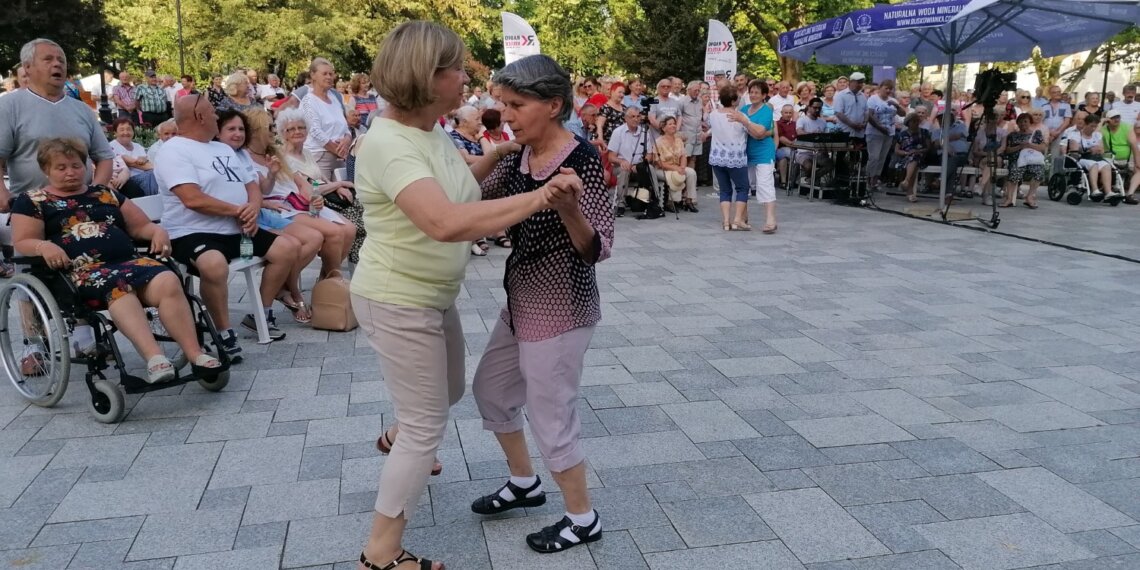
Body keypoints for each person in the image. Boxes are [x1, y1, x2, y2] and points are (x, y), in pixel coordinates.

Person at [351, 21, 581, 570]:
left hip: (431, 295)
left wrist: (499, 155)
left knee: (448, 391)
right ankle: (381, 552)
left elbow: (460, 186)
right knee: (428, 427)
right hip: (397, 297)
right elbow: (446, 221)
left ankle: (402, 432)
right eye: (456, 68)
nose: (467, 78)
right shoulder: (389, 144)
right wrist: (542, 198)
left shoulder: (428, 131)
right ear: (426, 76)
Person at [469, 52, 613, 556]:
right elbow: (471, 201)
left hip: (561, 306)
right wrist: (489, 155)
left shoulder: (582, 160)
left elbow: (598, 248)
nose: (505, 114)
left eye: (516, 104)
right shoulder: (518, 156)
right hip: (520, 299)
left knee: (552, 416)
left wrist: (570, 208)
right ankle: (525, 483)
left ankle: (582, 517)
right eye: (502, 103)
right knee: (490, 389)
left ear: (553, 105)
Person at [11, 138, 223, 382]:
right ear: (45, 170)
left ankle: (195, 354)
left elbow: (140, 225)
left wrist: (157, 232)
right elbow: (23, 241)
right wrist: (43, 245)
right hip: (78, 273)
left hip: (126, 262)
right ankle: (155, 359)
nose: (70, 172)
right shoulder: (33, 201)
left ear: (87, 166)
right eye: (61, 167)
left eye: (76, 165)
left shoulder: (104, 193)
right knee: (119, 288)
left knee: (167, 279)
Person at [155, 93, 301, 358]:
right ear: (199, 116)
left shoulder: (221, 148)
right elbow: (192, 198)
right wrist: (237, 210)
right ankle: (223, 331)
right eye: (212, 111)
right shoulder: (173, 150)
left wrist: (253, 209)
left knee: (288, 248)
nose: (216, 115)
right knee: (213, 264)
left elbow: (251, 185)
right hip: (192, 232)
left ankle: (262, 313)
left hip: (238, 229)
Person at [218, 109, 322, 324]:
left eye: (240, 129)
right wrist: (261, 203)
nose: (274, 132)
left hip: (263, 211)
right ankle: (291, 294)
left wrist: (272, 173)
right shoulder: (229, 155)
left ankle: (283, 289)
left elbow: (259, 189)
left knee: (315, 237)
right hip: (248, 218)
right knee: (292, 244)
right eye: (270, 128)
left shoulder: (245, 155)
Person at [0, 39, 115, 210]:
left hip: (82, 208)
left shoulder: (82, 109)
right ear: (28, 67)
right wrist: (3, 195)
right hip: (32, 211)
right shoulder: (9, 106)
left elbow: (104, 157)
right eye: (48, 59)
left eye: (61, 60)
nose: (57, 64)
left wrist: (94, 193)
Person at [278, 108, 367, 267]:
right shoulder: (284, 158)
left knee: (351, 229)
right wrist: (339, 183)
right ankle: (332, 275)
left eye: (301, 127)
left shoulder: (307, 152)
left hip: (320, 201)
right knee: (342, 230)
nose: (297, 131)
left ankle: (327, 276)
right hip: (301, 205)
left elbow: (320, 178)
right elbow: (310, 187)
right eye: (291, 129)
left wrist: (336, 187)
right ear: (283, 134)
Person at [301, 58, 352, 182]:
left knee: (344, 196)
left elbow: (345, 127)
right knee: (319, 192)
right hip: (320, 158)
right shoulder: (308, 101)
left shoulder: (334, 98)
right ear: (313, 75)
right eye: (325, 74)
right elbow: (315, 131)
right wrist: (338, 150)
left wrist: (347, 139)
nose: (329, 77)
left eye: (331, 74)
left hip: (340, 157)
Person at [709, 84, 750, 231]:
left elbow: (711, 129)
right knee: (743, 188)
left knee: (725, 190)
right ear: (733, 101)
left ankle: (726, 221)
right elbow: (749, 130)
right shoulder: (739, 116)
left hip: (717, 156)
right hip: (736, 157)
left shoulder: (713, 114)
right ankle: (737, 219)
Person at [738, 79, 777, 233]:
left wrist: (746, 123)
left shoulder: (767, 110)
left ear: (764, 95)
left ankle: (770, 220)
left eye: (757, 92)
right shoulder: (745, 108)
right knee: (743, 185)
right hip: (746, 153)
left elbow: (761, 133)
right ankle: (742, 218)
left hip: (763, 153)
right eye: (751, 92)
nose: (753, 95)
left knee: (764, 185)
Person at [607, 107, 649, 216]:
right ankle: (620, 203)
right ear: (626, 118)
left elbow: (650, 155)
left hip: (637, 167)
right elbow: (611, 157)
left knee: (650, 168)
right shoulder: (618, 132)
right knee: (624, 170)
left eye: (638, 116)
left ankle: (649, 201)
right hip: (620, 167)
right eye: (632, 116)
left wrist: (639, 165)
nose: (636, 119)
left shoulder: (644, 132)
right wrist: (621, 161)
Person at [865, 79, 905, 192]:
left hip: (889, 133)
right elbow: (869, 116)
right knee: (874, 157)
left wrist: (896, 106)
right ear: (880, 87)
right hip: (874, 132)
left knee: (882, 158)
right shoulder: (873, 99)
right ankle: (868, 179)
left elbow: (903, 114)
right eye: (886, 88)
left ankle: (875, 180)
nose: (888, 91)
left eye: (890, 89)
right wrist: (879, 127)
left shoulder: (892, 100)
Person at [651, 116, 698, 212]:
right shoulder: (658, 142)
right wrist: (676, 169)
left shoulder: (678, 140)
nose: (673, 126)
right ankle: (672, 202)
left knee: (691, 172)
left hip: (678, 166)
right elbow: (659, 163)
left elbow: (683, 156)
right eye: (670, 124)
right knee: (676, 175)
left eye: (674, 123)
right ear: (664, 128)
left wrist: (682, 167)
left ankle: (689, 200)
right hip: (662, 169)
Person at [1001, 113, 1046, 209]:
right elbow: (1007, 150)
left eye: (1025, 121)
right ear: (1017, 123)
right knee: (1014, 170)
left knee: (1039, 171)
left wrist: (1029, 145)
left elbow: (1042, 148)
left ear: (1030, 122)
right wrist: (1020, 146)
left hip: (1031, 160)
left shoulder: (1036, 134)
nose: (1023, 123)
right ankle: (1009, 199)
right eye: (1020, 121)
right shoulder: (1013, 135)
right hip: (1017, 160)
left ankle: (1029, 197)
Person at [107, 117, 159, 197]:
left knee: (156, 174)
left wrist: (143, 160)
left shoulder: (138, 146)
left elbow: (146, 164)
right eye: (122, 130)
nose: (126, 132)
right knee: (152, 174)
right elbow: (132, 163)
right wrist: (140, 162)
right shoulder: (112, 146)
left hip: (144, 178)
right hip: (127, 181)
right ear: (115, 132)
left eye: (129, 129)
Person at [1069, 113, 1116, 199]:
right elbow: (1074, 151)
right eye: (1091, 126)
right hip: (1082, 158)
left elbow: (1102, 150)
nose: (1093, 129)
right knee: (1093, 165)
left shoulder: (1097, 135)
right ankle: (1094, 190)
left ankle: (1108, 192)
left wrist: (1099, 150)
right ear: (1086, 124)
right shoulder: (1076, 135)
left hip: (1095, 158)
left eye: (1095, 126)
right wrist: (1088, 149)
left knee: (1107, 166)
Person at [893, 114, 931, 202]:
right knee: (913, 159)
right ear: (908, 123)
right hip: (906, 157)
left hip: (921, 156)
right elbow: (897, 150)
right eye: (913, 121)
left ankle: (906, 182)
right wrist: (906, 153)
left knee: (915, 157)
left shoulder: (924, 132)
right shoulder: (902, 134)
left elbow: (928, 148)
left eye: (917, 121)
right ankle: (909, 191)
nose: (916, 123)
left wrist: (919, 151)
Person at [796, 97, 830, 183]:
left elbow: (826, 136)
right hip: (804, 152)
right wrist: (812, 134)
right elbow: (799, 132)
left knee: (830, 165)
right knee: (809, 166)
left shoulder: (822, 122)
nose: (817, 110)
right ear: (809, 107)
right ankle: (811, 180)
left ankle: (810, 179)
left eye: (819, 108)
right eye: (815, 108)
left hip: (818, 152)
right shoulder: (802, 120)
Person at [1042, 85, 1073, 157]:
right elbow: (1041, 121)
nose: (1058, 94)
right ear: (1050, 94)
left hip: (1060, 134)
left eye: (1059, 92)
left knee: (1056, 156)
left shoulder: (1066, 105)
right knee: (1044, 154)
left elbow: (1067, 121)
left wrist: (1057, 132)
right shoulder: (1044, 106)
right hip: (1046, 133)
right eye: (1055, 92)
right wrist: (1050, 132)